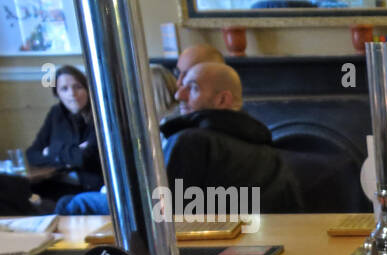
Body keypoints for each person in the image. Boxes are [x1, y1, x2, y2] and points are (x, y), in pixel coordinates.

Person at [57, 62, 302, 215]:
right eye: (181, 84)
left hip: (200, 240)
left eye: (192, 88)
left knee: (75, 203)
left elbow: (161, 211)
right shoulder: (260, 141)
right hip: (244, 234)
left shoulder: (191, 141)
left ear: (222, 100)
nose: (179, 94)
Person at [26, 65, 102, 197]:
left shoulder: (100, 114)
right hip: (59, 182)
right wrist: (68, 157)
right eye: (64, 89)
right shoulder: (56, 113)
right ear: (58, 94)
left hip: (91, 187)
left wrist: (51, 150)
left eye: (77, 87)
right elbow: (32, 154)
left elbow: (84, 158)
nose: (72, 94)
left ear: (87, 89)